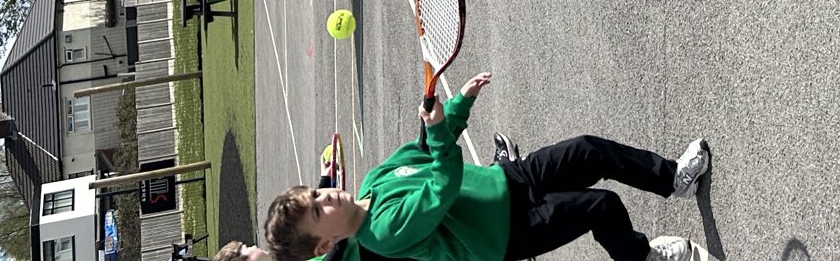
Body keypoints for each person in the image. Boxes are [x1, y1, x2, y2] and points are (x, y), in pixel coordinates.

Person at [262, 72, 712, 261]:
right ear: (324, 244)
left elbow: (422, 150)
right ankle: (643, 257)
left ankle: (673, 179)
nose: (327, 196)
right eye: (319, 211)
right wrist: (440, 131)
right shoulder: (382, 234)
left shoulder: (374, 182)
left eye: (317, 194)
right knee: (603, 207)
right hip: (506, 234)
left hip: (505, 180)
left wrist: (456, 107)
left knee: (589, 149)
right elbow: (441, 183)